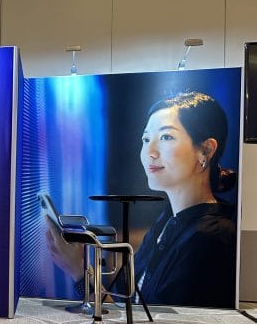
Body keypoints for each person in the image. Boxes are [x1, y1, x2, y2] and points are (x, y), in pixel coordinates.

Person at [46, 91, 237, 308]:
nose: (150, 152)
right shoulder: (168, 221)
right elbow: (121, 309)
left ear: (206, 151)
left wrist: (79, 272)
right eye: (146, 139)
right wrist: (78, 268)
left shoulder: (211, 238)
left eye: (166, 137)